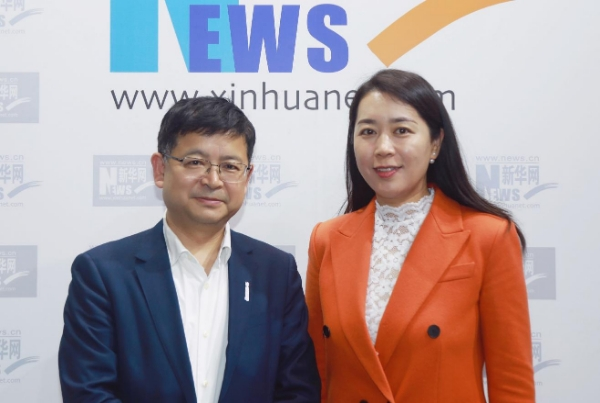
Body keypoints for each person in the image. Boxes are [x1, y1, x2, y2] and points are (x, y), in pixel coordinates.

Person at [59, 97, 320, 403]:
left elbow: (297, 391)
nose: (213, 180)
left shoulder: (275, 273)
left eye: (230, 167)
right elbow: (89, 393)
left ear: (247, 177)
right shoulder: (103, 274)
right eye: (195, 162)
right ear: (160, 169)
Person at [305, 69, 535, 403]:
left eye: (401, 130)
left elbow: (512, 383)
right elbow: (315, 374)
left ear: (435, 144)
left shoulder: (488, 237)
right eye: (368, 131)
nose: (383, 147)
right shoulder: (326, 240)